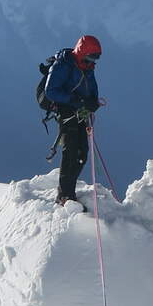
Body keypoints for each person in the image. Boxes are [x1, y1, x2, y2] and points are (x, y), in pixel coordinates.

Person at [41, 35, 105, 208]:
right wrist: (77, 101)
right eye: (92, 56)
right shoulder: (63, 65)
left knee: (81, 152)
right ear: (83, 52)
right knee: (71, 152)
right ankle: (64, 195)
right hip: (66, 113)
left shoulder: (87, 66)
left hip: (80, 113)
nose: (94, 60)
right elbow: (50, 91)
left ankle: (68, 191)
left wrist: (92, 102)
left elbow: (91, 89)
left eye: (96, 57)